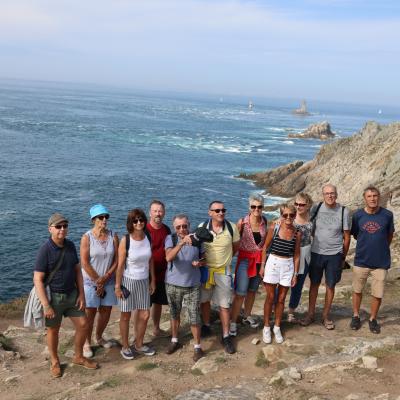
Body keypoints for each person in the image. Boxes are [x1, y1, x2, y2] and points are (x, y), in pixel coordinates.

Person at [33, 213, 98, 378]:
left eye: (64, 226)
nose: (62, 229)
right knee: (53, 330)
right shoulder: (45, 250)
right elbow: (38, 279)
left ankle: (78, 356)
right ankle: (55, 361)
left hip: (72, 295)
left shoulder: (69, 245)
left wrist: (81, 294)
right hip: (54, 298)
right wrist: (46, 305)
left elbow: (77, 270)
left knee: (83, 324)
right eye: (58, 227)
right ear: (50, 229)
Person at [301, 184, 351, 330]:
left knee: (330, 285)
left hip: (334, 255)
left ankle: (326, 316)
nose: (330, 196)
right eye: (327, 193)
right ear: (323, 195)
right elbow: (305, 223)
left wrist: (343, 257)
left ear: (337, 194)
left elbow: (346, 237)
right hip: (316, 253)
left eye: (332, 193)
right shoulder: (316, 208)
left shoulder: (344, 211)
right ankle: (310, 314)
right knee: (314, 284)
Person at [350, 186, 395, 334]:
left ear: (379, 197)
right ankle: (356, 315)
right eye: (369, 196)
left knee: (378, 293)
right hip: (361, 260)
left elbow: (389, 235)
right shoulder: (357, 216)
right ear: (365, 198)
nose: (372, 198)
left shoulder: (387, 215)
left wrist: (380, 247)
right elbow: (356, 234)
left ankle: (373, 319)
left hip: (381, 262)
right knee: (357, 290)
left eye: (375, 195)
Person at [115, 209, 156, 360]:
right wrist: (117, 286)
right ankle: (125, 347)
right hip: (128, 281)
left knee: (145, 314)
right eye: (135, 220)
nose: (139, 223)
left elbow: (150, 260)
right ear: (130, 223)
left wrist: (153, 280)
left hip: (144, 280)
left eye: (141, 220)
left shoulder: (148, 237)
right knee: (125, 315)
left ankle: (139, 344)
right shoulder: (126, 240)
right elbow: (120, 266)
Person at [200, 200, 240, 354]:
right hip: (206, 271)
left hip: (223, 272)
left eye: (223, 210)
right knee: (204, 301)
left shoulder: (231, 228)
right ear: (210, 212)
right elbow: (198, 248)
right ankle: (206, 325)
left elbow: (235, 247)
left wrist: (226, 259)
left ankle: (226, 335)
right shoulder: (202, 228)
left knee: (224, 305)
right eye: (217, 211)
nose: (221, 213)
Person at [164, 214, 206, 361]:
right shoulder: (171, 239)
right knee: (174, 314)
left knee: (194, 316)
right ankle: (174, 340)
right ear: (174, 228)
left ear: (189, 225)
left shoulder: (197, 239)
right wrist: (181, 243)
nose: (182, 229)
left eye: (184, 226)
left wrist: (200, 263)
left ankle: (197, 346)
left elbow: (204, 257)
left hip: (193, 284)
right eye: (178, 227)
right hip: (173, 284)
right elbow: (168, 257)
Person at [80, 204, 118, 358]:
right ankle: (86, 342)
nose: (104, 220)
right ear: (93, 219)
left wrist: (106, 276)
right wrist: (97, 281)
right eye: (101, 217)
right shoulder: (86, 237)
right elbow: (84, 262)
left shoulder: (113, 236)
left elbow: (117, 259)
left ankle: (99, 336)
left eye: (106, 217)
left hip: (107, 281)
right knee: (90, 313)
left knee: (105, 311)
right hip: (91, 282)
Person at [259, 204, 301, 344]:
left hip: (288, 265)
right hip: (273, 263)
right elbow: (265, 247)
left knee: (282, 298)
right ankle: (266, 327)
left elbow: (296, 254)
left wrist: (295, 274)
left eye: (291, 215)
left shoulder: (297, 233)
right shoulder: (274, 227)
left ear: (295, 216)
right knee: (270, 297)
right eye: (285, 215)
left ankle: (277, 327)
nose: (288, 218)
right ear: (281, 215)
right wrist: (263, 266)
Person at [229, 194, 267, 337]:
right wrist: (229, 260)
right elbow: (234, 243)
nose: (256, 209)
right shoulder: (242, 223)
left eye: (259, 206)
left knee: (252, 290)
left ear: (263, 207)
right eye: (253, 206)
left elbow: (263, 245)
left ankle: (247, 315)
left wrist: (263, 264)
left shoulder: (264, 221)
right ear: (249, 207)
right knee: (240, 293)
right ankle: (233, 322)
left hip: (258, 262)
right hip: (245, 261)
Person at [146, 200, 171, 337]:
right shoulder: (144, 230)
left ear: (164, 213)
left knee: (158, 302)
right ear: (150, 212)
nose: (158, 214)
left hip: (162, 273)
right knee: (144, 305)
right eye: (155, 211)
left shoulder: (166, 229)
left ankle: (156, 328)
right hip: (147, 275)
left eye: (160, 211)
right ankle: (140, 333)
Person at [287, 193, 313, 323]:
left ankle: (291, 311)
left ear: (308, 205)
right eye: (296, 204)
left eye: (302, 204)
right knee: (282, 285)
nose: (298, 207)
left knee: (298, 286)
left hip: (306, 256)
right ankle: (275, 309)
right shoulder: (290, 218)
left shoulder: (312, 218)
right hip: (290, 256)